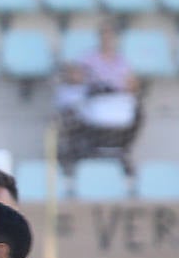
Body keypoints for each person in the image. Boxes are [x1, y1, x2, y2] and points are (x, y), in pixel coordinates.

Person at [56, 19, 143, 175]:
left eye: (111, 35)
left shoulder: (122, 61)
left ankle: (121, 150)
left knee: (138, 112)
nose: (107, 39)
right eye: (104, 35)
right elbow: (75, 76)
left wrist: (131, 86)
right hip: (93, 103)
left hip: (116, 103)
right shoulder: (88, 58)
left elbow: (131, 83)